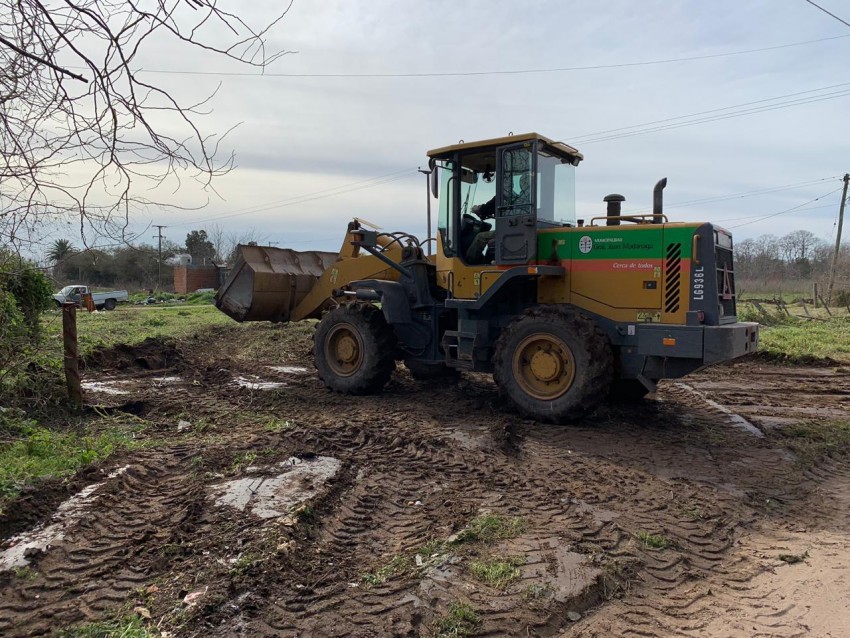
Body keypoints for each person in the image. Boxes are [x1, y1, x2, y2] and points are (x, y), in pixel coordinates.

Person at [465, 173, 531, 264]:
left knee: (480, 237)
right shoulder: (522, 198)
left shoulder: (501, 197)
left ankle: (469, 263)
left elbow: (485, 209)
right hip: (520, 230)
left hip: (508, 231)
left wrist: (477, 209)